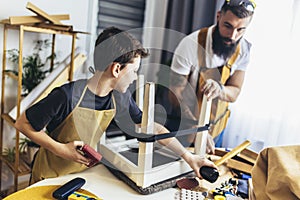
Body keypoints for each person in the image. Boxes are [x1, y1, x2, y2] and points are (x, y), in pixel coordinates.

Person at [14, 27, 216, 184]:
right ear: (117, 69)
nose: (135, 77)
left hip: (82, 176)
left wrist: (189, 157)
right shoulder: (66, 96)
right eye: (134, 70)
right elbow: (23, 123)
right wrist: (60, 149)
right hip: (49, 176)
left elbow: (151, 126)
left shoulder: (119, 97)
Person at [168, 0, 255, 153]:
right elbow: (175, 92)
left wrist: (220, 89)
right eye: (228, 26)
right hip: (186, 127)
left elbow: (234, 92)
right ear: (218, 16)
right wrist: (195, 127)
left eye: (240, 29)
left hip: (217, 128)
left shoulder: (244, 50)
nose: (233, 36)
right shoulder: (190, 44)